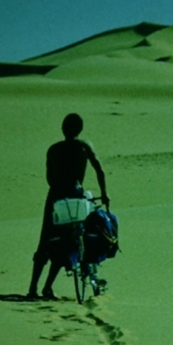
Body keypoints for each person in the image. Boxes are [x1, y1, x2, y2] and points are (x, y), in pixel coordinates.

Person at [27, 113, 110, 300]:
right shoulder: (84, 146)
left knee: (46, 239)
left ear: (63, 129)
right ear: (80, 129)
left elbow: (49, 177)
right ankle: (47, 287)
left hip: (55, 197)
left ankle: (33, 288)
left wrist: (59, 187)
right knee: (69, 240)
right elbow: (99, 169)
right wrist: (104, 193)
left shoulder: (53, 149)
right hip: (76, 196)